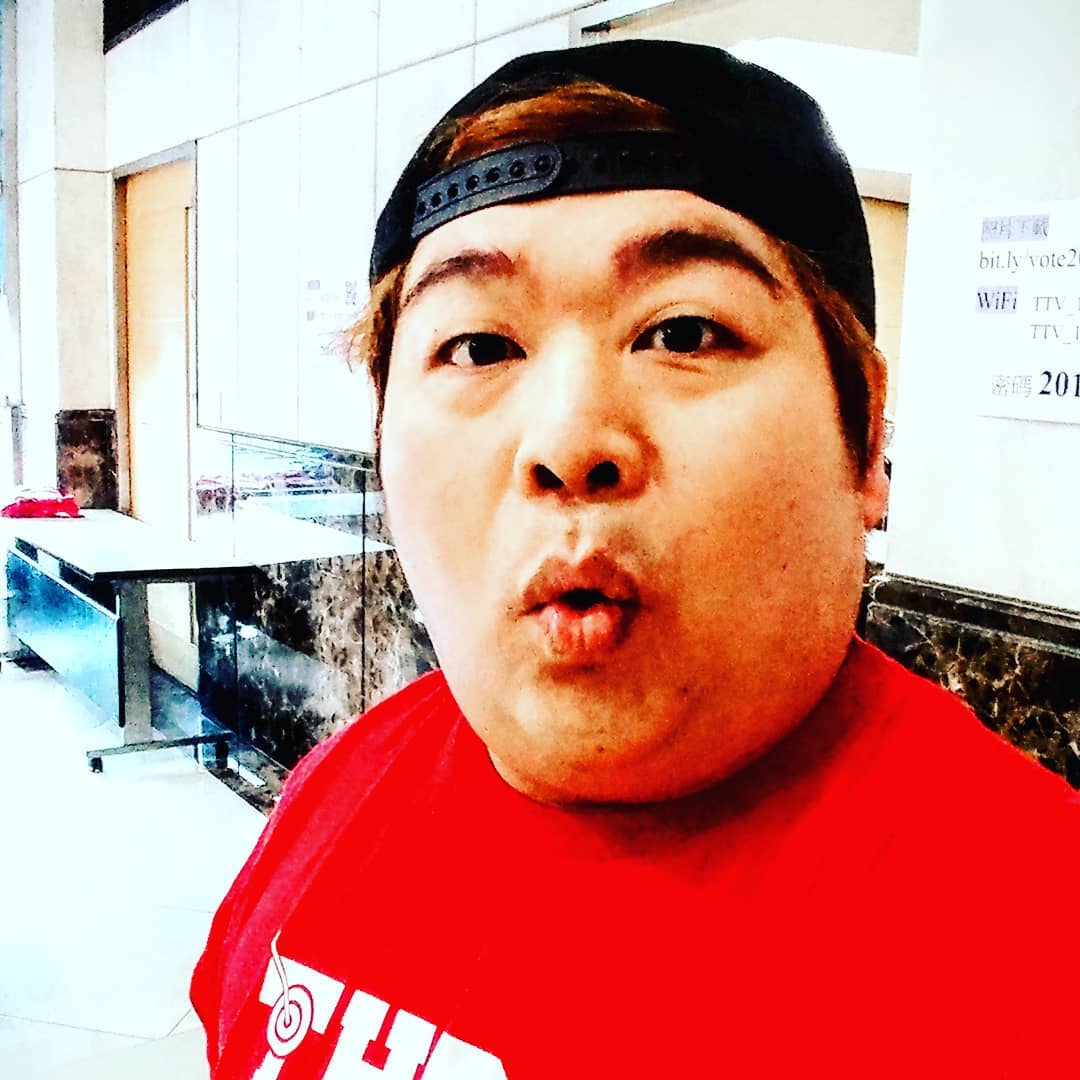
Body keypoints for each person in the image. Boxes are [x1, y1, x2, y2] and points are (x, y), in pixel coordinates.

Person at [192, 41, 1079, 1078]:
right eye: (479, 348)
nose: (570, 441)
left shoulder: (1035, 945)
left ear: (868, 437)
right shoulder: (338, 787)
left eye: (685, 334)